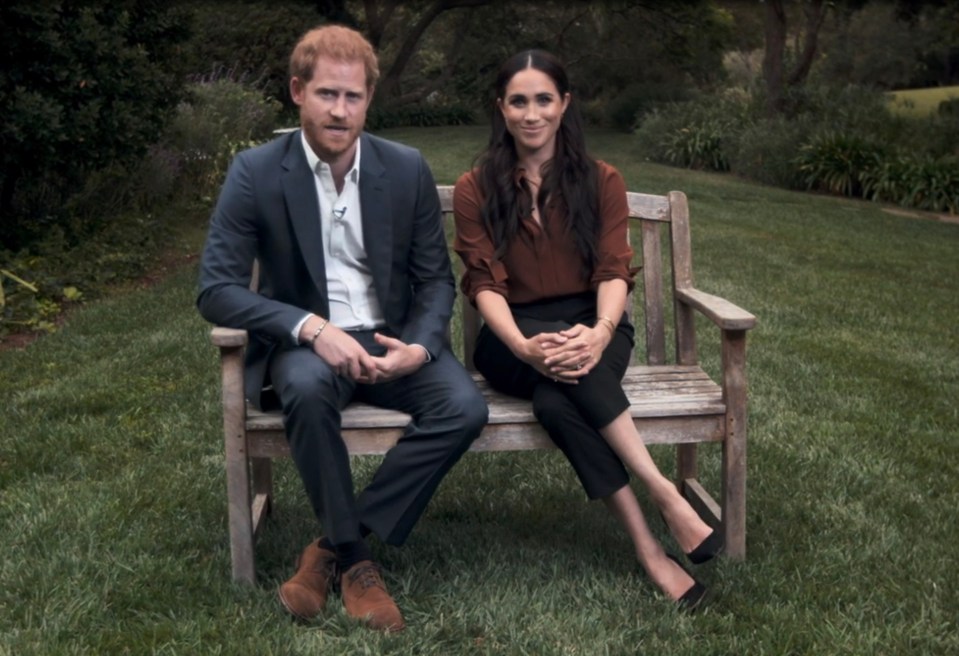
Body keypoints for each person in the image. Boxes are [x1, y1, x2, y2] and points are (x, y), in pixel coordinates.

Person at [197, 25, 487, 632]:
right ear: (298, 91)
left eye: (353, 97)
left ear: (368, 100)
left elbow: (434, 280)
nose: (340, 110)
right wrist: (306, 326)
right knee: (302, 387)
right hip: (308, 346)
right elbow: (216, 290)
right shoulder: (255, 172)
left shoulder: (403, 168)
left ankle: (328, 546)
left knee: (463, 407)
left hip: (390, 339)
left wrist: (419, 345)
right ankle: (356, 560)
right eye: (327, 94)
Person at [453, 50, 722, 610]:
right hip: (511, 337)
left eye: (544, 99)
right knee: (562, 376)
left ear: (564, 104)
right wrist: (525, 348)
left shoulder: (601, 180)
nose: (532, 114)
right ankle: (663, 492)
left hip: (591, 322)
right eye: (519, 101)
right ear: (501, 108)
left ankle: (650, 546)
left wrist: (600, 331)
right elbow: (484, 284)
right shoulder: (476, 187)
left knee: (558, 401)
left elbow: (611, 269)